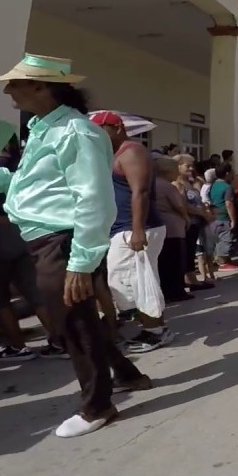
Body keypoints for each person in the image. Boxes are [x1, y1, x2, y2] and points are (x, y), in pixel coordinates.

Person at [0, 54, 150, 437]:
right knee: (76, 319)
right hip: (43, 240)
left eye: (15, 83)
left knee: (71, 323)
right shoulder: (44, 128)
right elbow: (29, 186)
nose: (7, 90)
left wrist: (81, 262)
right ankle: (126, 373)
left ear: (41, 87)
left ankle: (98, 405)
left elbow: (93, 199)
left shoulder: (75, 132)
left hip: (62, 241)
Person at [0, 138, 60, 361]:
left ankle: (18, 347)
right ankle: (60, 341)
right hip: (22, 234)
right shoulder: (23, 166)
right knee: (35, 294)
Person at [90, 111, 172, 353]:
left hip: (136, 228)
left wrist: (137, 230)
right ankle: (150, 325)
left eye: (100, 130)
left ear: (116, 128)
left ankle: (155, 331)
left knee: (135, 281)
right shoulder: (110, 155)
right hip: (122, 227)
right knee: (130, 281)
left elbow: (141, 192)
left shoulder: (132, 152)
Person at [152, 156, 192, 302]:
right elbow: (179, 205)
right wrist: (186, 218)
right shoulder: (168, 186)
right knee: (175, 262)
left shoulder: (151, 184)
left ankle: (166, 291)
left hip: (158, 226)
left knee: (163, 263)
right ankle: (176, 291)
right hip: (173, 227)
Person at [177, 154, 214, 290]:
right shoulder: (178, 184)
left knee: (191, 251)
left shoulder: (190, 183)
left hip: (196, 223)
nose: (191, 168)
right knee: (187, 252)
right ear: (178, 166)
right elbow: (183, 205)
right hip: (188, 223)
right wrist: (201, 212)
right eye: (187, 166)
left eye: (192, 166)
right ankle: (190, 279)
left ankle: (192, 278)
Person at [206, 163, 236, 269]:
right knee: (225, 239)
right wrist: (233, 219)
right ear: (227, 173)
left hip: (214, 216)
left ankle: (220, 260)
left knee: (216, 240)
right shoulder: (227, 187)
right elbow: (228, 203)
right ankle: (222, 262)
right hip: (223, 216)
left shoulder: (212, 185)